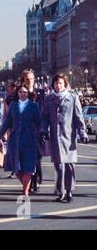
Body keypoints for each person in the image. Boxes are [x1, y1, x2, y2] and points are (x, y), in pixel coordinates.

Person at [41, 74, 88, 203]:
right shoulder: (49, 99)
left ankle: (69, 192)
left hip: (69, 137)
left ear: (65, 84)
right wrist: (43, 130)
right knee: (59, 166)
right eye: (56, 83)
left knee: (69, 166)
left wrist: (82, 133)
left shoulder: (72, 98)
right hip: (55, 138)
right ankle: (61, 192)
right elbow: (45, 117)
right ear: (53, 85)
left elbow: (78, 117)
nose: (58, 85)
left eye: (60, 83)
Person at [0, 85, 41, 196]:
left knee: (29, 166)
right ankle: (25, 185)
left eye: (25, 92)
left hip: (29, 139)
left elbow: (39, 123)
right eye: (20, 92)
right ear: (17, 93)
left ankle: (25, 190)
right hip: (15, 140)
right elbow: (6, 123)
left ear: (28, 93)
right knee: (17, 168)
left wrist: (41, 135)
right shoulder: (13, 105)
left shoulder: (33, 106)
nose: (22, 94)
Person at [16, 69, 46, 192]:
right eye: (27, 79)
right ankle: (29, 182)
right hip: (23, 131)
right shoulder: (19, 93)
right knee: (24, 158)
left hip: (36, 130)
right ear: (23, 80)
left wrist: (43, 128)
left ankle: (35, 180)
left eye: (32, 79)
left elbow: (44, 110)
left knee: (37, 157)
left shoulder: (40, 94)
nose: (30, 81)